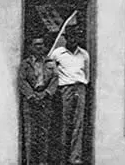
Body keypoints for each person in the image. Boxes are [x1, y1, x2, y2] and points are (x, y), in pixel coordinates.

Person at [49, 26, 90, 165]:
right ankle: (62, 157)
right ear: (65, 38)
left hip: (80, 87)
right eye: (70, 37)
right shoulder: (57, 53)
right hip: (64, 89)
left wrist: (82, 86)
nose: (73, 40)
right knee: (64, 123)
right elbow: (50, 72)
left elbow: (87, 74)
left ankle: (75, 157)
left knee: (78, 123)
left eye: (76, 37)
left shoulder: (84, 54)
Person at [18, 37, 57, 165]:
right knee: (30, 135)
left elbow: (55, 79)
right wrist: (31, 95)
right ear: (31, 47)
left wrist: (46, 93)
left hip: (46, 101)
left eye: (41, 44)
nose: (39, 47)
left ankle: (43, 162)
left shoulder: (50, 63)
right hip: (30, 102)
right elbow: (22, 80)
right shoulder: (25, 64)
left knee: (44, 135)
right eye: (36, 44)